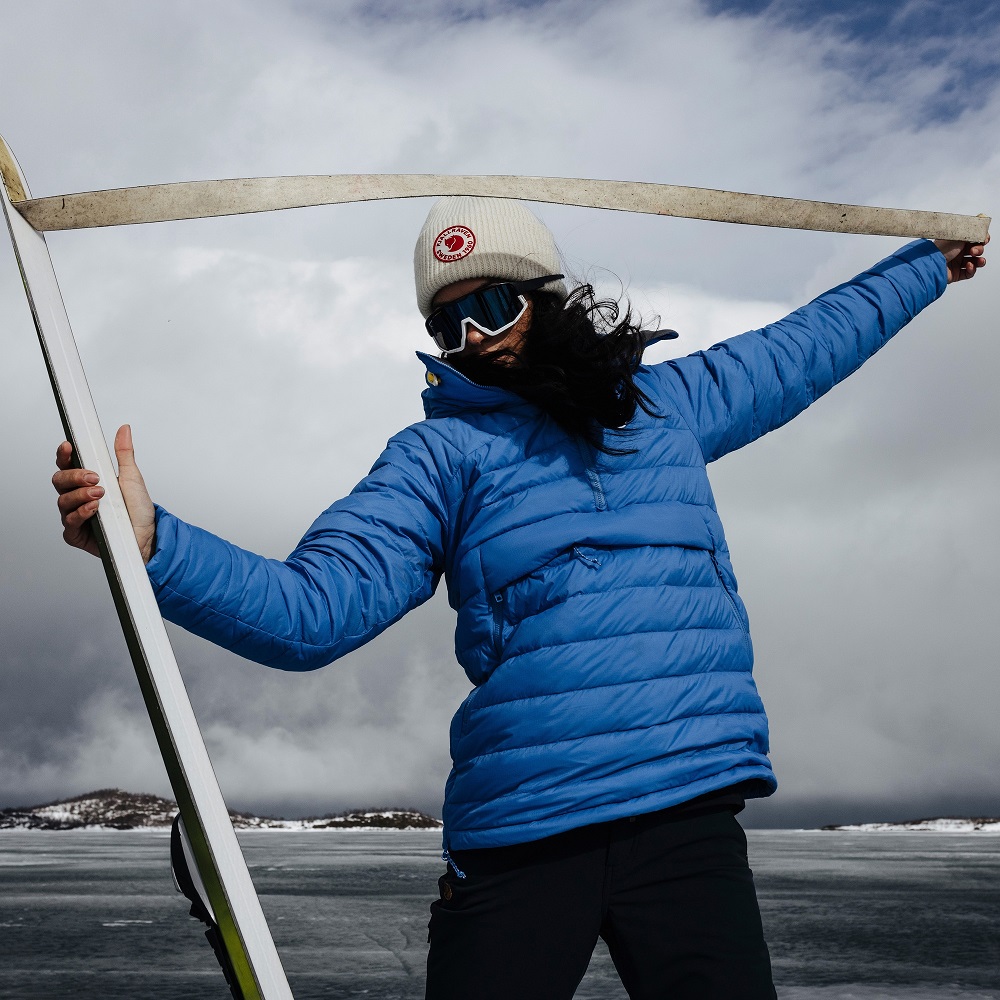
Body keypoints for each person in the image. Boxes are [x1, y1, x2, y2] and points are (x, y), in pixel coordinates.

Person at [53, 197, 987, 999]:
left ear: (544, 298)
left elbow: (805, 346)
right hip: (526, 830)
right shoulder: (438, 457)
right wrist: (154, 547)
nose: (473, 341)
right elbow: (314, 609)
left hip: (687, 815)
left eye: (491, 307)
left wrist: (923, 267)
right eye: (446, 326)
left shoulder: (667, 406)